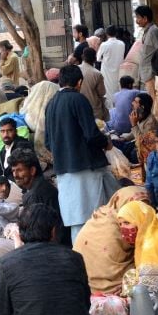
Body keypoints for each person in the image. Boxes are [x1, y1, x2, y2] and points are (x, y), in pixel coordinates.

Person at [0, 204, 117, 315]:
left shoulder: (6, 263)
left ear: (20, 233)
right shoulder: (74, 258)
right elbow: (84, 303)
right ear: (53, 231)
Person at [45, 65, 119, 243]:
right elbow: (92, 134)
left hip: (64, 169)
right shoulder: (78, 99)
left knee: (78, 217)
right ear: (79, 82)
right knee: (90, 218)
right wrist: (106, 142)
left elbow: (48, 142)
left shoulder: (51, 104)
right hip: (85, 167)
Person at [72, 186, 148, 294]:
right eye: (137, 207)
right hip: (108, 287)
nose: (142, 212)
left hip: (81, 287)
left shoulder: (102, 214)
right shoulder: (116, 227)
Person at [134, 5, 158, 99]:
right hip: (147, 74)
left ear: (145, 18)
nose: (136, 21)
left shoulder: (153, 31)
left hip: (151, 74)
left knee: (156, 100)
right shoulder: (147, 31)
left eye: (138, 17)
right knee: (154, 100)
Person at [97, 26, 125, 108]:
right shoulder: (121, 44)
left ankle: (111, 111)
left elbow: (98, 58)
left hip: (107, 71)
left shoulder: (104, 45)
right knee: (118, 87)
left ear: (106, 34)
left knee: (108, 91)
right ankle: (119, 107)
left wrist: (105, 59)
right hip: (119, 69)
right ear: (116, 33)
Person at [78, 47, 108, 121]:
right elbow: (102, 93)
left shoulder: (75, 69)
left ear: (82, 57)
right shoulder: (97, 74)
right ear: (94, 59)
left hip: (78, 108)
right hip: (93, 110)